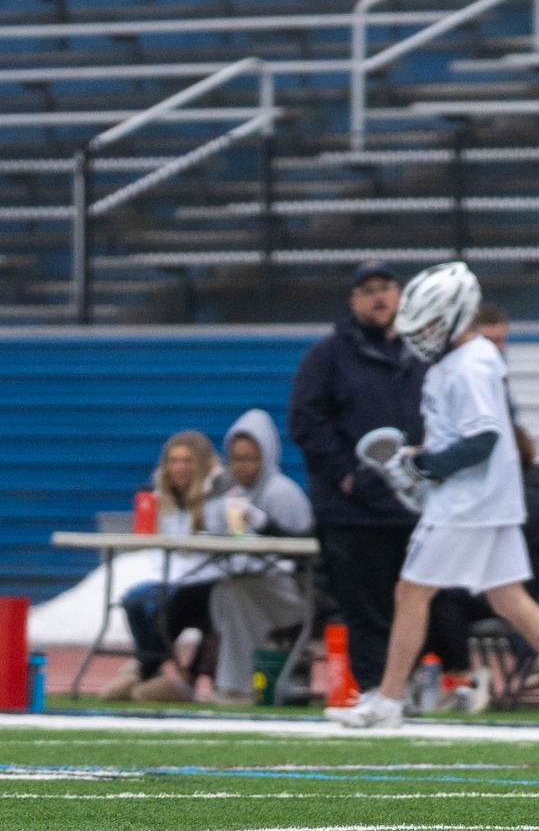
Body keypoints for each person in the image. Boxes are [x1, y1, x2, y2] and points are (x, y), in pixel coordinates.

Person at [326, 261, 539, 730]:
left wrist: (425, 466)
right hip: (487, 500)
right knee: (509, 599)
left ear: (456, 316)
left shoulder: (470, 364)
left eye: (432, 324)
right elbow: (468, 434)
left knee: (411, 591)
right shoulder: (464, 361)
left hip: (467, 503)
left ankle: (387, 701)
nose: (422, 334)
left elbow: (483, 439)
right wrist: (428, 455)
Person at [287, 262, 472, 693]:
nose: (379, 297)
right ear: (353, 301)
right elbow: (305, 422)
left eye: (386, 287)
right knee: (366, 611)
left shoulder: (424, 352)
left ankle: (426, 687)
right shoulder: (327, 357)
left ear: (400, 295)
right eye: (368, 290)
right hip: (353, 513)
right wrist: (346, 476)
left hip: (417, 508)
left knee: (430, 602)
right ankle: (376, 693)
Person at [200, 409, 315, 706]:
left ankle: (238, 686)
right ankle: (234, 680)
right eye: (236, 459)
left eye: (250, 458)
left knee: (237, 593)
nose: (242, 466)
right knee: (223, 592)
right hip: (250, 580)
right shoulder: (232, 494)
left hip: (294, 590)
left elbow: (304, 552)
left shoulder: (282, 493)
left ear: (267, 456)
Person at [101, 431, 223, 703]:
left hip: (208, 579)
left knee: (174, 603)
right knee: (134, 600)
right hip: (171, 575)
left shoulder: (216, 496)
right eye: (173, 461)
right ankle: (151, 670)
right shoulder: (161, 498)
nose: (179, 467)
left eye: (187, 461)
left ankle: (157, 673)